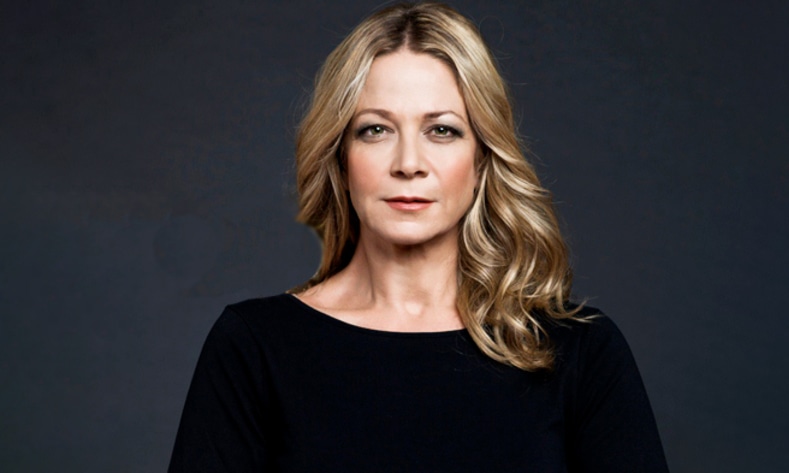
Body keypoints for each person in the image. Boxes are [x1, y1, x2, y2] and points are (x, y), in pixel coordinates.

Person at [168, 2, 669, 472]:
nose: (408, 164)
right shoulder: (253, 347)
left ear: (481, 159)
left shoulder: (578, 351)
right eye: (375, 130)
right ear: (340, 158)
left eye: (442, 130)